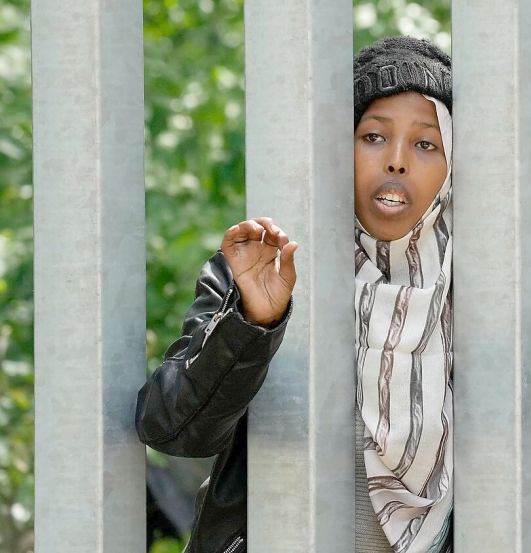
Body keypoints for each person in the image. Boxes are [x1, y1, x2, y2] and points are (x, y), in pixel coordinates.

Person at [136, 37, 456, 553]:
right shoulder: (260, 269)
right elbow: (171, 430)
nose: (397, 161)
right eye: (373, 136)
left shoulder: (482, 295)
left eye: (426, 144)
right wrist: (252, 323)